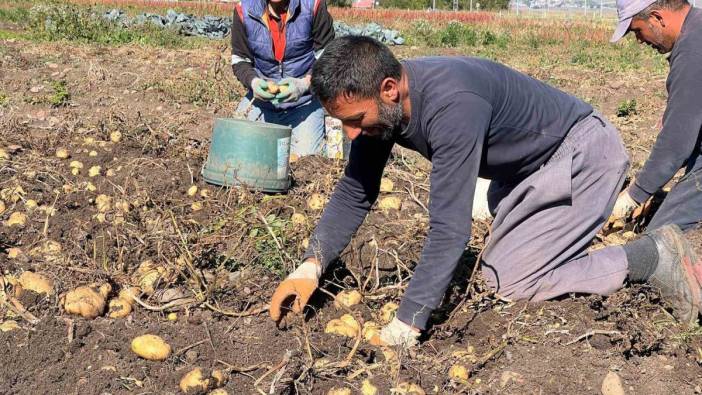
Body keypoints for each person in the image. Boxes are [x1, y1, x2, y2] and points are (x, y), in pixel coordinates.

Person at [269, 36, 702, 347]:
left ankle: (652, 257)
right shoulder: (387, 104)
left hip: (584, 154)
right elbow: (355, 190)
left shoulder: (451, 105)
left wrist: (407, 322)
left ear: (388, 88)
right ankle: (556, 234)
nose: (350, 132)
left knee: (511, 279)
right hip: (529, 167)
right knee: (493, 239)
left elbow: (449, 230)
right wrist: (312, 264)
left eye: (355, 119)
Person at [609, 0, 702, 233]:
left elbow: (676, 142)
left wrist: (636, 195)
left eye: (637, 30)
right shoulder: (697, 29)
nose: (639, 41)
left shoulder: (693, 49)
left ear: (657, 18)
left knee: (660, 239)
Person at [230, 0, 334, 161]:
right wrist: (255, 82)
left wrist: (304, 84)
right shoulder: (244, 10)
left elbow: (328, 58)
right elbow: (240, 59)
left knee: (306, 161)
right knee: (237, 152)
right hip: (261, 102)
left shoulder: (313, 6)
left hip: (304, 102)